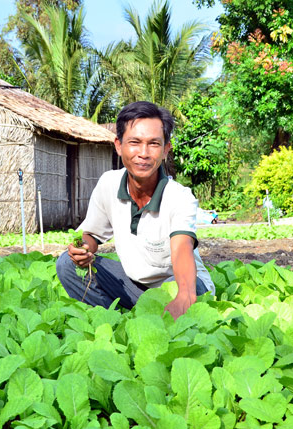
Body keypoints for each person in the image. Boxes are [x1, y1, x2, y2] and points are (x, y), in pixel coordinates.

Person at [56, 101, 215, 319]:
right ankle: (114, 321)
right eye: (134, 142)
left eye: (154, 144)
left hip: (175, 285)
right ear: (119, 145)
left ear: (166, 150)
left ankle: (158, 312)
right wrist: (84, 249)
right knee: (67, 264)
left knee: (187, 287)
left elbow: (181, 249)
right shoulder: (108, 184)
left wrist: (184, 295)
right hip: (134, 286)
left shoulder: (179, 197)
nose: (143, 153)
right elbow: (92, 235)